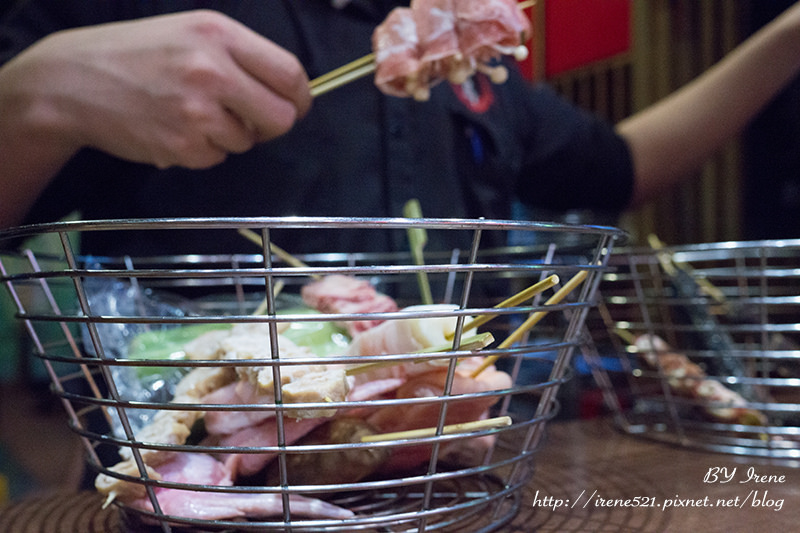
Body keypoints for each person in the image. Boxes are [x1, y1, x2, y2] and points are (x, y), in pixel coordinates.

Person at [1, 1, 800, 257]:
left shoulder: (457, 53)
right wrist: (34, 96)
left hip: (461, 474)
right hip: (198, 477)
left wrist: (788, 37)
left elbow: (624, 167)